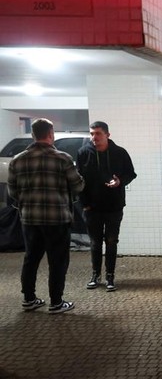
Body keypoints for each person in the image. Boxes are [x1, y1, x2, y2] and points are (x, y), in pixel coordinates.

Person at [8, 118, 85, 313]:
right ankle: (56, 302)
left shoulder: (16, 160)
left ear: (33, 135)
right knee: (57, 260)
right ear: (51, 134)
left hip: (29, 219)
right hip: (57, 219)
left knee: (31, 258)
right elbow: (78, 186)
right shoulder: (63, 158)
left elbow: (12, 192)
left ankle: (29, 299)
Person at [77, 121, 137, 292]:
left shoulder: (120, 153)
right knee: (95, 243)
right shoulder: (83, 153)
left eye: (97, 133)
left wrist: (120, 181)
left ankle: (110, 276)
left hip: (114, 206)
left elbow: (131, 173)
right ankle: (95, 275)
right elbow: (78, 179)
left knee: (111, 242)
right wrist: (85, 204)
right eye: (91, 134)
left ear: (107, 135)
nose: (94, 137)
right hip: (91, 207)